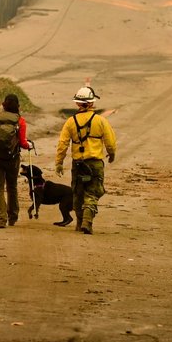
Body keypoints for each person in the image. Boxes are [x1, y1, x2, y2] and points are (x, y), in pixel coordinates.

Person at [55, 85, 117, 235]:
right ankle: (87, 222)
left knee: (77, 193)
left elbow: (62, 144)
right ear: (92, 103)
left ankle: (79, 223)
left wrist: (59, 162)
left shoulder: (70, 122)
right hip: (95, 163)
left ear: (77, 103)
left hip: (78, 164)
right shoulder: (101, 121)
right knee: (93, 192)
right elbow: (110, 141)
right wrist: (112, 153)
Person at [0, 94, 32, 229]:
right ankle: (12, 217)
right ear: (18, 106)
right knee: (12, 187)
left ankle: (1, 219)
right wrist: (29, 145)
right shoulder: (20, 121)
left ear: (4, 104)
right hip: (12, 160)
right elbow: (23, 143)